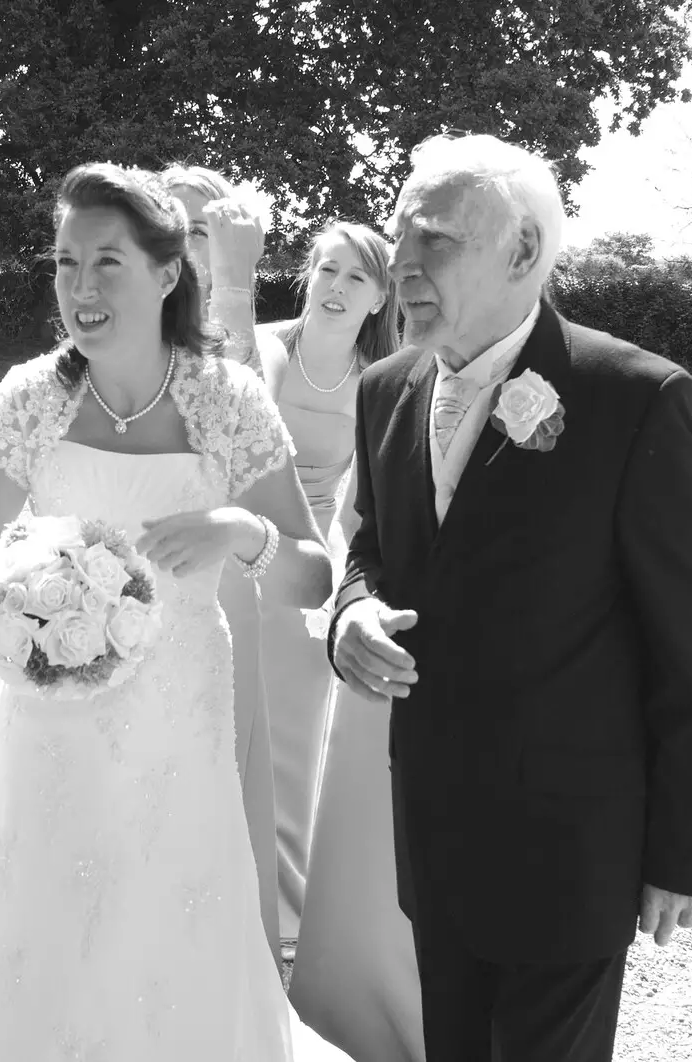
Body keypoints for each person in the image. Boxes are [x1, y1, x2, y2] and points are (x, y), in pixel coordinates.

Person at [328, 133, 692, 1062]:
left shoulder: (631, 397)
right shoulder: (384, 390)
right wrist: (351, 611)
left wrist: (686, 850)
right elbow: (374, 548)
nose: (401, 265)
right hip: (435, 827)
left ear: (523, 252)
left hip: (570, 845)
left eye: (434, 240)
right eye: (399, 238)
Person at [0, 162, 348, 1059]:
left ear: (167, 274)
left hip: (181, 720)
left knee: (171, 913)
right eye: (66, 262)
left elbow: (313, 575)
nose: (80, 287)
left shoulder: (225, 400)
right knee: (43, 911)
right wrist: (31, 608)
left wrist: (240, 530)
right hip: (48, 720)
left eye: (106, 262)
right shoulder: (30, 396)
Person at [255, 223, 399, 946]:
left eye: (358, 278)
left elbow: (352, 508)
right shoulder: (264, 349)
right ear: (307, 277)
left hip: (311, 556)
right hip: (241, 542)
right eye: (328, 271)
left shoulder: (381, 379)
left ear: (380, 298)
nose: (338, 289)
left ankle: (282, 907)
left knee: (295, 731)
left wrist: (344, 592)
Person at [159, 163, 283, 958]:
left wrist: (236, 285)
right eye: (177, 228)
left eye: (202, 230)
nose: (188, 245)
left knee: (219, 770)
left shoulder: (236, 333)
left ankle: (222, 959)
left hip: (226, 581)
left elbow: (239, 427)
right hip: (140, 580)